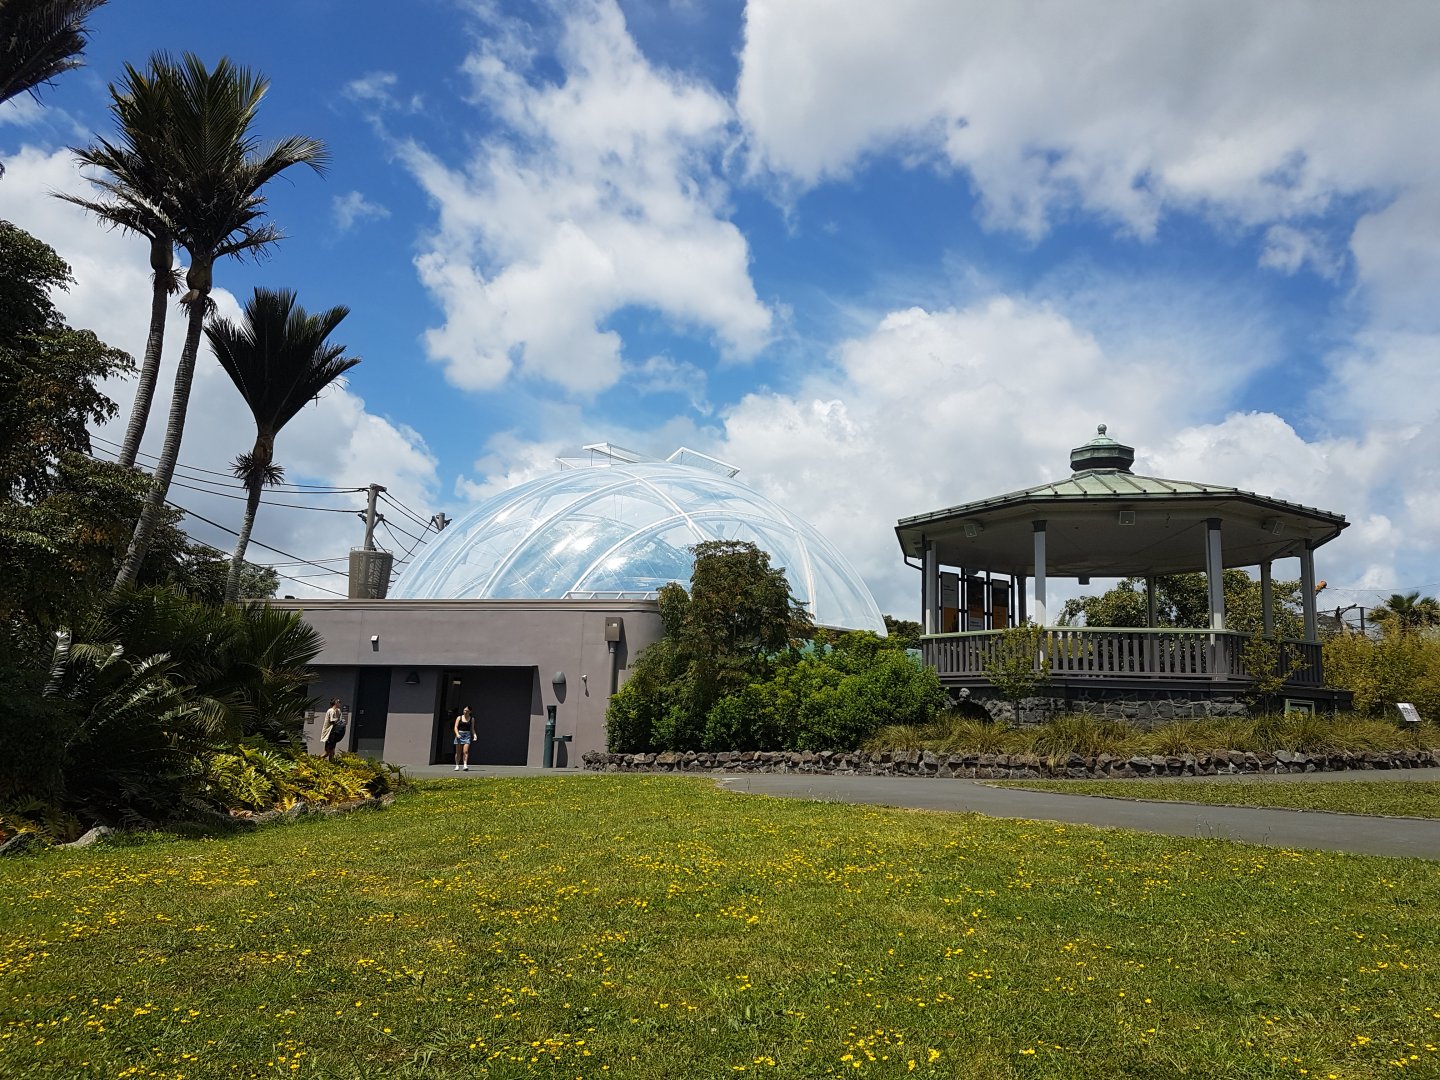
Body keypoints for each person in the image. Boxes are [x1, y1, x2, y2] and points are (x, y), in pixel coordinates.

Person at [453, 705, 475, 771]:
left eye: (467, 711)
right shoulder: (459, 718)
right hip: (460, 734)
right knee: (458, 752)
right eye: (464, 710)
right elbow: (455, 727)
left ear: (470, 712)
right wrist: (457, 734)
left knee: (465, 751)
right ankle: (457, 765)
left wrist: (474, 735)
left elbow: (472, 729)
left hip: (467, 735)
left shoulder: (472, 719)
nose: (465, 712)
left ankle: (465, 765)